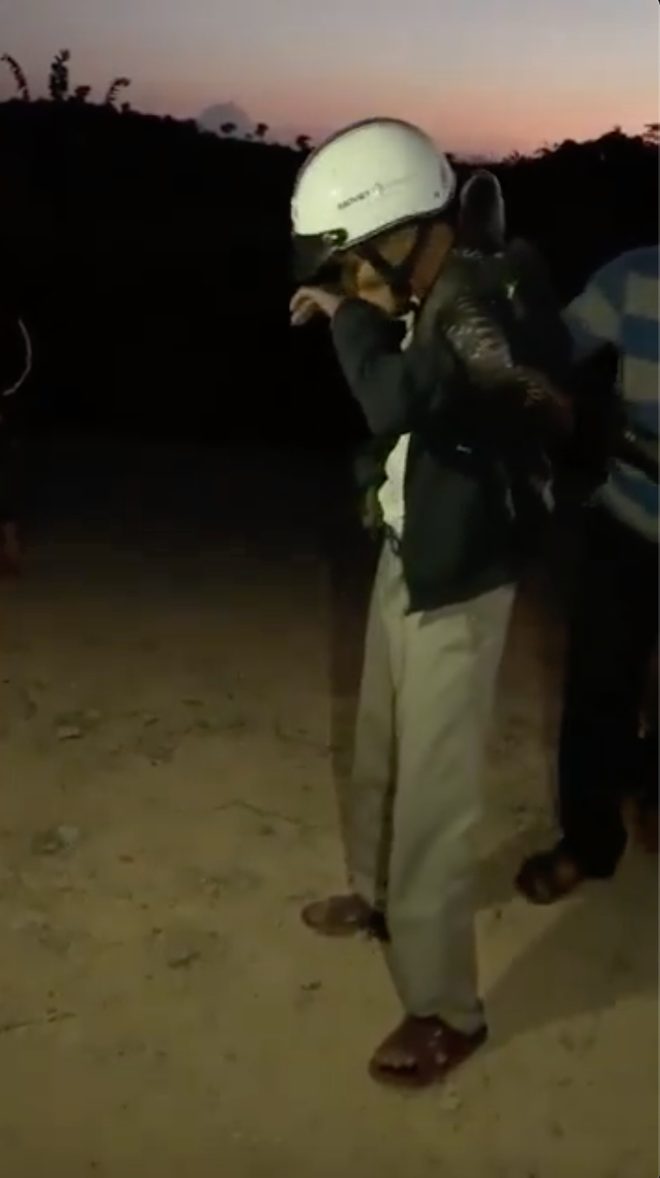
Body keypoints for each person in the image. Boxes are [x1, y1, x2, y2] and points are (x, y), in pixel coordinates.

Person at [289, 118, 570, 1087]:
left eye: (354, 260)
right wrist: (356, 298)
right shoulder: (435, 281)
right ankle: (375, 895)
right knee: (379, 740)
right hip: (416, 547)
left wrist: (345, 317)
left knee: (434, 798)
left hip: (463, 575)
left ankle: (448, 1009)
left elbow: (392, 398)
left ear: (401, 233)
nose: (350, 280)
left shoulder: (472, 307)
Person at [516, 246, 659, 903]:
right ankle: (589, 843)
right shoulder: (634, 276)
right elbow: (549, 353)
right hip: (626, 520)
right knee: (599, 687)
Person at [0, 303, 32, 576]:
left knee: (6, 487)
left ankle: (11, 551)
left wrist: (3, 401)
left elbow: (24, 367)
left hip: (6, 420)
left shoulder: (13, 323)